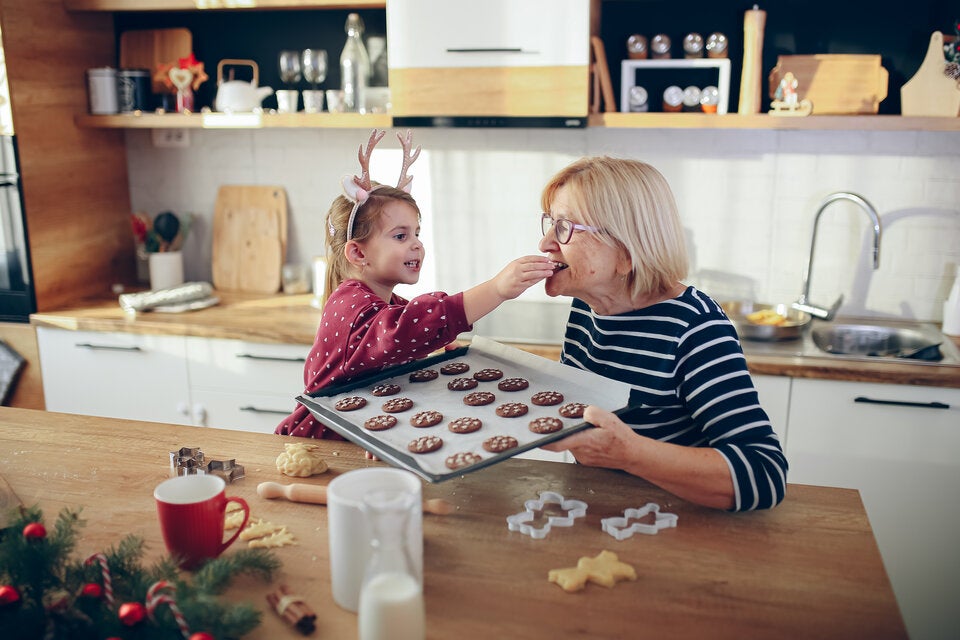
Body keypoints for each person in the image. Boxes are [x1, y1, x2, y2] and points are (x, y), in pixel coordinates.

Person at [537, 156, 787, 512]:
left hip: (680, 526)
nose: (545, 243)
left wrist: (630, 454)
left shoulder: (694, 327)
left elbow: (765, 474)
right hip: (606, 514)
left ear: (625, 251)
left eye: (565, 227)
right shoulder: (588, 307)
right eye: (549, 224)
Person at [276, 130, 554, 439]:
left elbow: (407, 334)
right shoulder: (352, 304)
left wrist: (439, 345)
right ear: (358, 252)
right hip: (322, 440)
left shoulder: (383, 301)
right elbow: (408, 329)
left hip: (355, 434)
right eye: (400, 235)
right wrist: (497, 289)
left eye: (417, 233)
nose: (417, 245)